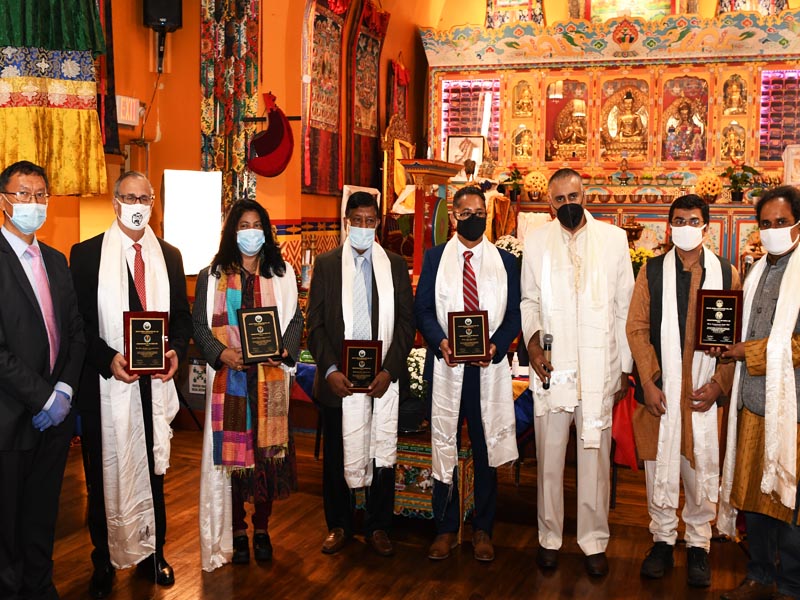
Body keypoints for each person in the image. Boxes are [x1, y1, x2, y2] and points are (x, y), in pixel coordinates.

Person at [70, 171, 192, 598]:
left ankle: (153, 553)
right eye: (129, 197)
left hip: (153, 383)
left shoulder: (169, 256)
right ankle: (103, 559)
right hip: (108, 383)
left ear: (153, 203)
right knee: (102, 475)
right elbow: (78, 324)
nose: (137, 205)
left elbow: (181, 319)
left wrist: (176, 351)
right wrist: (108, 359)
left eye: (145, 198)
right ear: (115, 202)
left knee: (154, 472)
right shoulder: (86, 255)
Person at [520, 168, 634, 577]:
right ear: (549, 204)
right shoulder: (536, 241)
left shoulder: (613, 239)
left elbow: (624, 307)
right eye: (560, 199)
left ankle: (593, 541)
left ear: (585, 195)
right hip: (553, 369)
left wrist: (623, 369)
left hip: (599, 370)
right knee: (549, 460)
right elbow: (529, 301)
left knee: (594, 460)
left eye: (574, 196)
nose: (568, 204)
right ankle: (549, 537)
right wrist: (533, 344)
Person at [626, 194, 740, 588]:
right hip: (661, 391)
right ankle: (661, 539)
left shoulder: (726, 273)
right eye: (679, 220)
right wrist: (648, 381)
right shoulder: (652, 271)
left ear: (706, 227)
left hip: (702, 393)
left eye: (693, 221)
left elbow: (735, 336)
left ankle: (698, 544)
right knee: (658, 465)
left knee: (698, 469)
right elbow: (636, 327)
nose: (686, 227)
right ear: (668, 225)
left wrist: (718, 384)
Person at [194, 200, 304, 570]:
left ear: (266, 231)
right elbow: (199, 326)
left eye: (257, 224)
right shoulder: (212, 276)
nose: (251, 232)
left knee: (265, 459)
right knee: (234, 461)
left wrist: (285, 350)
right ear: (232, 231)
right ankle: (238, 531)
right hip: (232, 382)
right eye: (243, 225)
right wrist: (221, 353)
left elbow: (295, 319)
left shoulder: (282, 274)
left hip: (269, 382)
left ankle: (262, 528)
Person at [415, 185, 521, 562]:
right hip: (447, 367)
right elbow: (423, 309)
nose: (474, 218)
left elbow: (515, 314)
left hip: (486, 371)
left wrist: (496, 346)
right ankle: (445, 528)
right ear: (454, 217)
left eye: (480, 212)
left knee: (485, 446)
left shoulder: (506, 262)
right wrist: (441, 341)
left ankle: (482, 528)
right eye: (467, 213)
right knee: (444, 441)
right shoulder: (435, 258)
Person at [306, 191, 414, 557]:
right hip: (339, 380)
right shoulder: (327, 264)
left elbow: (406, 324)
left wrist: (390, 370)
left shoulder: (395, 265)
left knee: (380, 453)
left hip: (382, 377)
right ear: (346, 222)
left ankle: (378, 526)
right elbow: (315, 325)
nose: (364, 227)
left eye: (370, 221)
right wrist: (330, 370)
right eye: (357, 220)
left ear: (378, 223)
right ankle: (339, 525)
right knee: (336, 455)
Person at [0, 161, 86, 600]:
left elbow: (75, 332)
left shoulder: (55, 259)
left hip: (55, 420)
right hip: (10, 418)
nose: (32, 203)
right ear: (4, 202)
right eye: (23, 194)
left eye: (40, 195)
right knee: (6, 525)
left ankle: (40, 586)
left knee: (41, 515)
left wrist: (64, 391)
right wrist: (42, 399)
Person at [718, 185, 800, 600]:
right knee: (753, 494)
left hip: (792, 408)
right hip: (751, 401)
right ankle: (759, 574)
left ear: (798, 224)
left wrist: (744, 351)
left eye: (781, 222)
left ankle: (791, 585)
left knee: (788, 499)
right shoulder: (756, 271)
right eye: (765, 224)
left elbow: (797, 345)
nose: (773, 230)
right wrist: (721, 340)